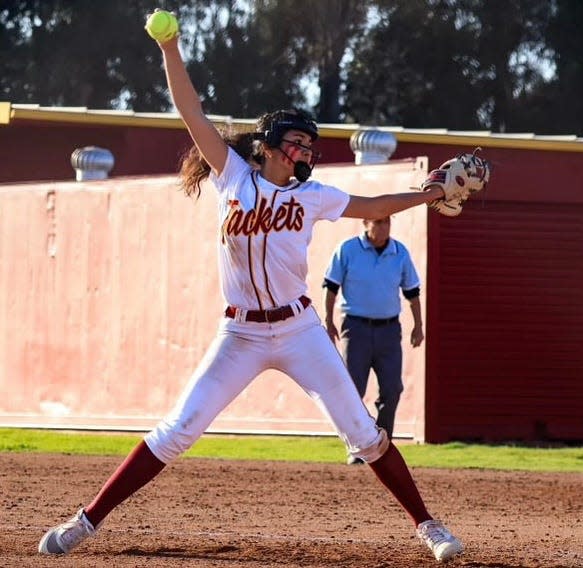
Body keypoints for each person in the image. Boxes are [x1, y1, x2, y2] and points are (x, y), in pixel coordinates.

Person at [38, 15, 463, 563]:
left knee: (363, 430)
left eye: (310, 146)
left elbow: (374, 207)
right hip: (239, 332)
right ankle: (85, 522)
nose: (305, 152)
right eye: (296, 142)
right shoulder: (233, 176)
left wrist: (425, 194)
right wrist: (170, 47)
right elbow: (190, 109)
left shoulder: (314, 198)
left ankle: (428, 526)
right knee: (177, 430)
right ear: (266, 145)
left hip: (300, 329)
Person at [323, 216, 424, 464]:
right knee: (353, 391)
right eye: (378, 222)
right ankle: (358, 448)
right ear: (365, 223)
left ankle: (381, 449)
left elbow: (411, 292)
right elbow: (331, 286)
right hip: (355, 328)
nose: (383, 227)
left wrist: (418, 325)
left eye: (387, 222)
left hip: (389, 330)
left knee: (392, 390)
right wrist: (328, 321)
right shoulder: (347, 249)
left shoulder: (399, 252)